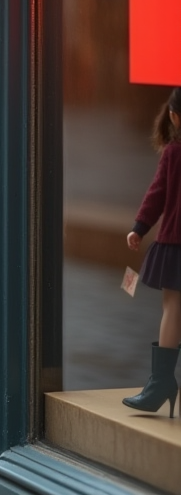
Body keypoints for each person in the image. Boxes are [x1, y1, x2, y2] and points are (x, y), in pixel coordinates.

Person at [124, 87, 181, 416]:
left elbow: (156, 193)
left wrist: (140, 227)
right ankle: (160, 384)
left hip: (176, 242)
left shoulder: (174, 152)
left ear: (173, 115)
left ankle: (161, 383)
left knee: (172, 308)